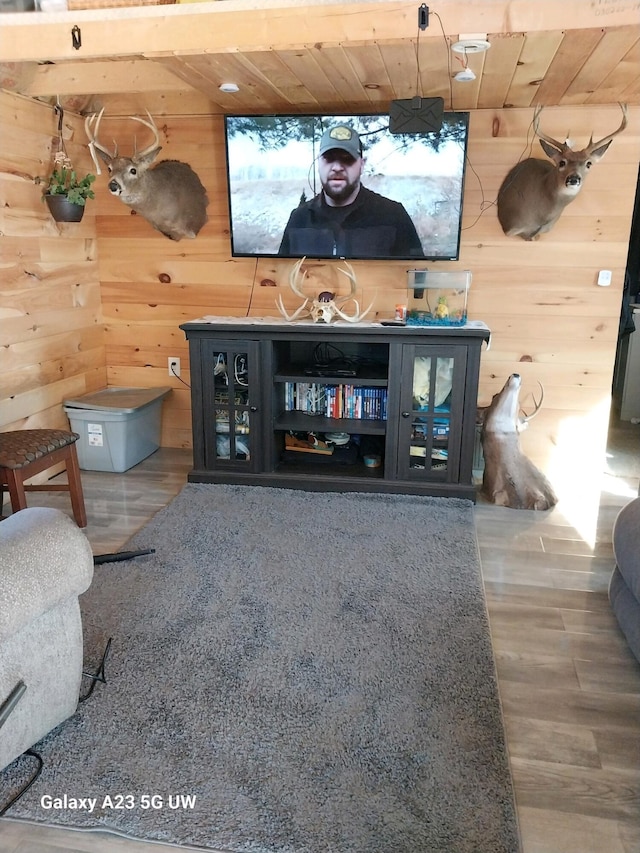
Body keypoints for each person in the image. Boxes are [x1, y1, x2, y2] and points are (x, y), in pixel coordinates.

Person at [278, 125, 425, 258]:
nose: (337, 167)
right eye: (329, 159)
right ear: (319, 163)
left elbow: (417, 279)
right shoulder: (299, 219)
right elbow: (280, 279)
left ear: (362, 164)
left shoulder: (393, 216)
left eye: (347, 159)